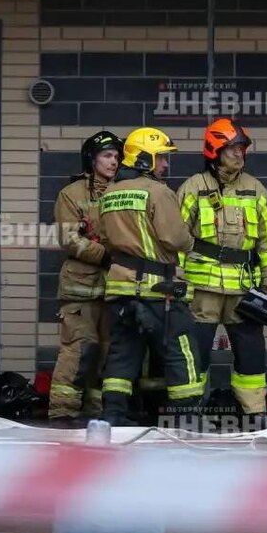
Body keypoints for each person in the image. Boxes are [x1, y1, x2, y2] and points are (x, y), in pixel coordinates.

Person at [177, 118, 267, 428]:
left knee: (250, 354)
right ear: (215, 150)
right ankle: (189, 411)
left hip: (244, 290)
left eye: (242, 148)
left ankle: (254, 414)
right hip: (201, 287)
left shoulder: (255, 189)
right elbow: (177, 238)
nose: (239, 154)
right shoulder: (194, 187)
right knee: (196, 353)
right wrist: (176, 279)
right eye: (232, 148)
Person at [98, 127, 203, 427]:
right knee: (181, 351)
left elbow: (104, 238)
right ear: (144, 159)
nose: (165, 164)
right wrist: (190, 241)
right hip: (158, 291)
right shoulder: (158, 192)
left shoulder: (110, 193)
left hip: (120, 291)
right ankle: (187, 420)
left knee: (122, 354)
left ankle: (112, 417)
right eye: (161, 158)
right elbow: (175, 238)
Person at [48, 130, 122, 424]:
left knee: (107, 353)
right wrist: (105, 255)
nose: (113, 162)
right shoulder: (71, 194)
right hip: (80, 288)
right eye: (107, 155)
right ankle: (62, 412)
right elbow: (69, 239)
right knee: (78, 350)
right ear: (92, 159)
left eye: (117, 156)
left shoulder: (124, 191)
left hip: (115, 287)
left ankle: (97, 413)